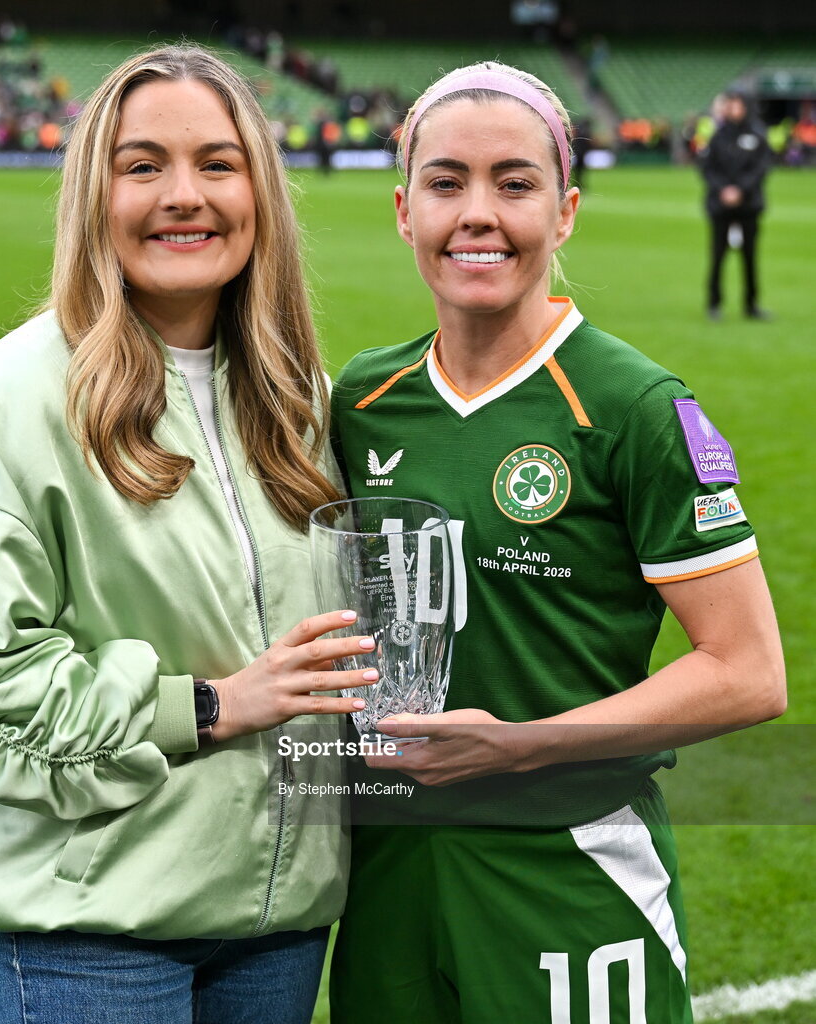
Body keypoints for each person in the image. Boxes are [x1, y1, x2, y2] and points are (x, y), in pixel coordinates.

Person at [0, 45, 376, 1024]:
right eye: (143, 165)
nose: (183, 195)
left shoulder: (299, 401)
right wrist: (207, 706)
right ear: (93, 194)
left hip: (276, 922)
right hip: (91, 923)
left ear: (260, 194)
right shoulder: (18, 397)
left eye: (217, 164)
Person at [329, 61, 785, 1023]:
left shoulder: (634, 408)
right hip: (388, 872)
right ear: (403, 209)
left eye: (516, 183)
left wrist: (520, 748)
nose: (478, 214)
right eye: (447, 183)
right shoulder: (361, 402)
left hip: (565, 863)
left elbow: (747, 671)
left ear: (565, 210)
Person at [699, 90, 774, 320]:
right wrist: (724, 189)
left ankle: (751, 305)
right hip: (720, 207)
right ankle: (714, 304)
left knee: (749, 257)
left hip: (748, 206)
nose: (732, 107)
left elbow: (761, 167)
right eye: (729, 103)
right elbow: (707, 168)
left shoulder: (757, 134)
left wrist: (741, 189)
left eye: (736, 103)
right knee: (718, 256)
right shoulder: (718, 136)